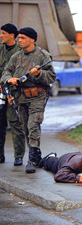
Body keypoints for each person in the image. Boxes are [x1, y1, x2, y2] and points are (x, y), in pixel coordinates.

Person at [1, 27, 56, 173]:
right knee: (25, 126)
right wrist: (9, 79)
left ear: (32, 39)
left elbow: (51, 77)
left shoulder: (43, 56)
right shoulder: (16, 56)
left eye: (23, 38)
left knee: (33, 125)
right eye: (18, 38)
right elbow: (6, 72)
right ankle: (36, 154)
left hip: (37, 96)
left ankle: (31, 159)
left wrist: (38, 75)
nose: (19, 40)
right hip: (20, 97)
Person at [0, 23, 25, 166]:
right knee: (0, 124)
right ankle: (0, 155)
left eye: (3, 33)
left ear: (11, 35)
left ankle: (19, 156)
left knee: (15, 123)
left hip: (14, 94)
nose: (1, 35)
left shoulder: (20, 52)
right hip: (0, 92)